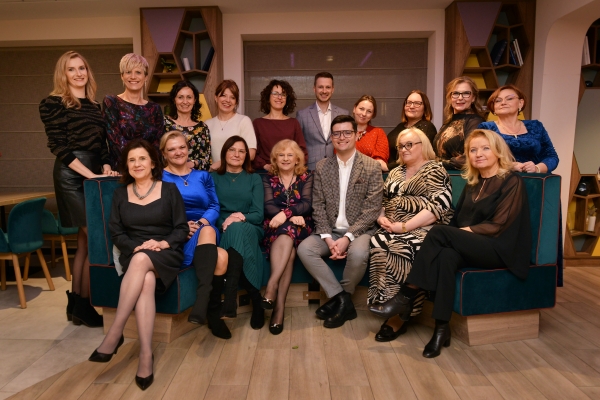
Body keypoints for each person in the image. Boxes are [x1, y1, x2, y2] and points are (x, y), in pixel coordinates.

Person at [370, 129, 531, 358]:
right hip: (473, 245)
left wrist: (455, 234)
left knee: (438, 232)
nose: (478, 154)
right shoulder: (474, 182)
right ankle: (441, 329)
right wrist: (454, 235)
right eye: (473, 150)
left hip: (499, 248)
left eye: (485, 148)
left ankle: (405, 295)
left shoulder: (511, 181)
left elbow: (498, 225)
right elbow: (457, 219)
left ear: (498, 151)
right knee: (446, 256)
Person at [89, 139, 188, 391]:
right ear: (126, 166)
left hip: (165, 252)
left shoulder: (169, 190)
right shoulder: (120, 194)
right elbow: (116, 232)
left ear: (153, 163)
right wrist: (136, 248)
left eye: (142, 158)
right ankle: (146, 354)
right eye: (131, 160)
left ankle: (115, 333)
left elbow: (181, 228)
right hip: (133, 252)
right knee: (145, 278)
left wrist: (162, 243)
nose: (137, 164)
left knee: (143, 260)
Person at [39, 50, 119, 328]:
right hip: (71, 175)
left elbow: (103, 144)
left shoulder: (96, 106)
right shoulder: (52, 103)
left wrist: (105, 166)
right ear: (63, 74)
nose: (78, 73)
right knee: (96, 236)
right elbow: (58, 147)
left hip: (94, 172)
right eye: (71, 69)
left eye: (81, 68)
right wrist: (91, 175)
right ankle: (84, 304)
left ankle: (76, 304)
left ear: (88, 71)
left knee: (85, 242)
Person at [297, 115, 383, 329]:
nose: (341, 137)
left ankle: (342, 298)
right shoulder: (322, 166)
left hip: (360, 230)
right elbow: (318, 205)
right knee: (305, 249)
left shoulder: (371, 166)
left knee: (359, 253)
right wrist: (327, 238)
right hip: (330, 230)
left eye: (347, 132)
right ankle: (342, 299)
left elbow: (372, 210)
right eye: (336, 133)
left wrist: (348, 238)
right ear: (331, 137)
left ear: (356, 135)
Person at [369, 127, 453, 342]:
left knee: (402, 246)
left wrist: (405, 227)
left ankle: (401, 315)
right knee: (378, 241)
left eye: (409, 145)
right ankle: (385, 303)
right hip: (393, 226)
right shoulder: (396, 171)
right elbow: (383, 200)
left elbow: (439, 206)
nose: (404, 149)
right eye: (400, 146)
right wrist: (381, 218)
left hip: (426, 228)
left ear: (422, 145)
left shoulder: (434, 169)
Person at [160, 131, 231, 339]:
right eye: (172, 149)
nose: (178, 152)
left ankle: (202, 303)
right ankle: (211, 310)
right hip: (177, 234)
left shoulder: (203, 176)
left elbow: (214, 206)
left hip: (204, 227)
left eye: (182, 147)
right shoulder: (159, 178)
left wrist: (200, 223)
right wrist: (181, 228)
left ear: (188, 149)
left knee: (207, 230)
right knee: (221, 257)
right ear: (164, 154)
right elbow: (158, 211)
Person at [211, 136, 266, 329]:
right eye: (232, 150)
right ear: (224, 153)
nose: (236, 154)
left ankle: (229, 299)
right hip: (223, 227)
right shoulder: (213, 178)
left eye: (241, 151)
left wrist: (239, 217)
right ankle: (256, 301)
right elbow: (213, 210)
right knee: (235, 231)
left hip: (251, 226)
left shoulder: (254, 178)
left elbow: (258, 215)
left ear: (246, 156)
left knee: (237, 228)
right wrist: (225, 222)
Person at [262, 139, 314, 335]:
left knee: (289, 231)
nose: (285, 158)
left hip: (301, 224)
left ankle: (271, 287)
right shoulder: (267, 178)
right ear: (275, 159)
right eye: (281, 155)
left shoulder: (306, 177)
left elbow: (307, 203)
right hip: (274, 225)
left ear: (297, 159)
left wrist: (287, 214)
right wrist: (287, 217)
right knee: (289, 251)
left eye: (290, 155)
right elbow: (268, 205)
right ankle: (279, 309)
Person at [478, 84, 559, 173]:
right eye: (498, 100)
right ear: (493, 107)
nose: (503, 103)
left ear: (521, 103)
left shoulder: (535, 126)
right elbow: (480, 157)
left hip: (535, 178)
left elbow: (551, 156)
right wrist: (509, 166)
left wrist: (537, 168)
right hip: (502, 178)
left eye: (509, 99)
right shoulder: (486, 128)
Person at [103, 53, 164, 169]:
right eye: (128, 72)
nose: (133, 77)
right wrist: (136, 163)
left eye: (138, 72)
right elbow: (114, 140)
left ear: (146, 77)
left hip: (149, 170)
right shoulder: (111, 102)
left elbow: (158, 143)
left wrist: (146, 165)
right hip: (122, 169)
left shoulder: (155, 108)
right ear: (122, 76)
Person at [252, 79, 308, 172]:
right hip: (264, 173)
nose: (279, 97)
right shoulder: (258, 123)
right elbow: (252, 152)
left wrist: (292, 167)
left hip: (289, 172)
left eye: (283, 94)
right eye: (275, 93)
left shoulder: (293, 123)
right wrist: (264, 165)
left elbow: (302, 152)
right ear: (268, 97)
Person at [296, 72, 349, 170]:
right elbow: (298, 146)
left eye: (328, 87)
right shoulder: (302, 115)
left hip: (338, 169)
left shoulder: (344, 114)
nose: (324, 91)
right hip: (311, 169)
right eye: (320, 87)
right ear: (314, 89)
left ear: (333, 89)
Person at [433, 76, 484, 170]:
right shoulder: (449, 121)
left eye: (466, 93)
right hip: (441, 175)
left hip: (460, 177)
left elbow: (470, 157)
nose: (460, 98)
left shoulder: (475, 121)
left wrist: (437, 164)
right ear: (450, 98)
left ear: (473, 98)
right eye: (455, 93)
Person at [205, 80, 257, 171]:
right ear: (216, 98)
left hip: (236, 174)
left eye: (232, 97)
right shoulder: (207, 124)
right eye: (223, 95)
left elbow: (251, 154)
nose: (227, 100)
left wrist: (220, 163)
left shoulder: (243, 121)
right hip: (214, 175)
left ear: (236, 102)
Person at [164, 80, 212, 171]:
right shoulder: (164, 123)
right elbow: (157, 152)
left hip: (194, 176)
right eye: (180, 97)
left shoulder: (203, 128)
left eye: (189, 97)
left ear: (194, 100)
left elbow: (207, 159)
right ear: (174, 99)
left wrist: (192, 163)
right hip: (168, 174)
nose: (185, 101)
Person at [387, 90, 437, 170]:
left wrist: (387, 167)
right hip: (394, 173)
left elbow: (415, 158)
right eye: (409, 102)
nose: (412, 106)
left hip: (412, 173)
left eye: (417, 103)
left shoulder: (427, 127)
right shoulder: (400, 126)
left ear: (425, 108)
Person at [352, 95, 389, 171]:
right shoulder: (343, 132)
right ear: (354, 109)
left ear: (372, 115)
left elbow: (380, 164)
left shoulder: (378, 132)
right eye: (361, 109)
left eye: (369, 111)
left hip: (370, 176)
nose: (364, 114)